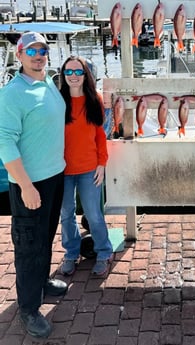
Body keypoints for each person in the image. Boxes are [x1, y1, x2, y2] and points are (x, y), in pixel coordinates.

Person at [0, 32, 68, 338]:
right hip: (30, 183)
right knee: (28, 245)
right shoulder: (12, 93)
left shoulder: (48, 81)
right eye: (32, 51)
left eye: (42, 49)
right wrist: (26, 186)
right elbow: (4, 141)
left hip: (54, 176)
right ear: (20, 55)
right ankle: (28, 308)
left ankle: (41, 283)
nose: (38, 55)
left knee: (46, 236)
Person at [58, 55, 113, 277]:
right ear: (63, 75)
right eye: (68, 72)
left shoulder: (95, 99)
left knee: (93, 213)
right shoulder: (58, 101)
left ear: (85, 75)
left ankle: (103, 252)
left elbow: (100, 134)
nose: (73, 76)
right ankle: (71, 253)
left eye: (78, 72)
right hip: (61, 170)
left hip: (89, 167)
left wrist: (102, 163)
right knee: (66, 214)